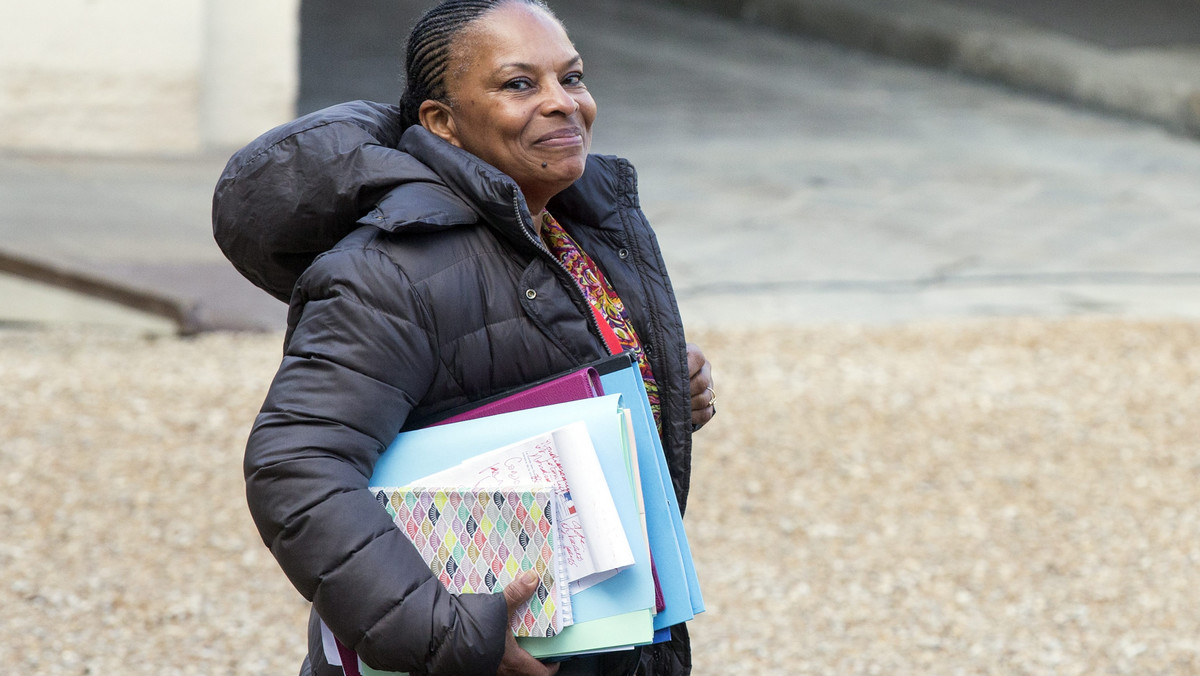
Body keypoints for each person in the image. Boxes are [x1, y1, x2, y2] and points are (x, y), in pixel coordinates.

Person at [212, 1, 715, 674]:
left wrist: (662, 391)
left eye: (572, 78)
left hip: (599, 640)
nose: (563, 103)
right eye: (519, 84)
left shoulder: (573, 227)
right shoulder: (389, 270)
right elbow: (298, 469)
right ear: (442, 124)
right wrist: (449, 632)